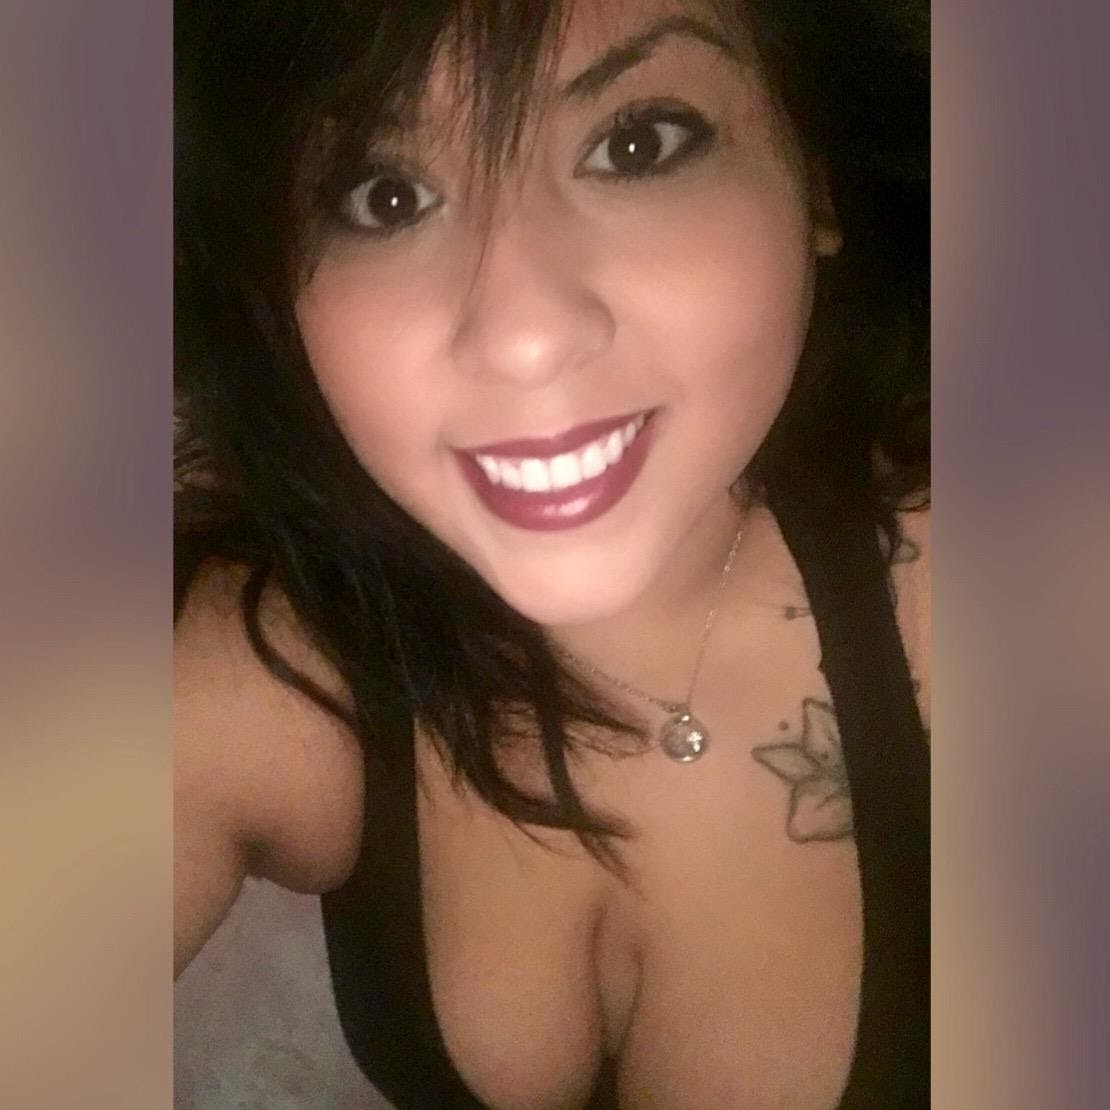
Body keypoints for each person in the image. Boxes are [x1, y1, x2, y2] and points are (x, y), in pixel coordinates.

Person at [174, 0, 930, 1106]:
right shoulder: (267, 670)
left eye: (638, 144)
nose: (523, 334)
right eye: (386, 196)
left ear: (814, 178)